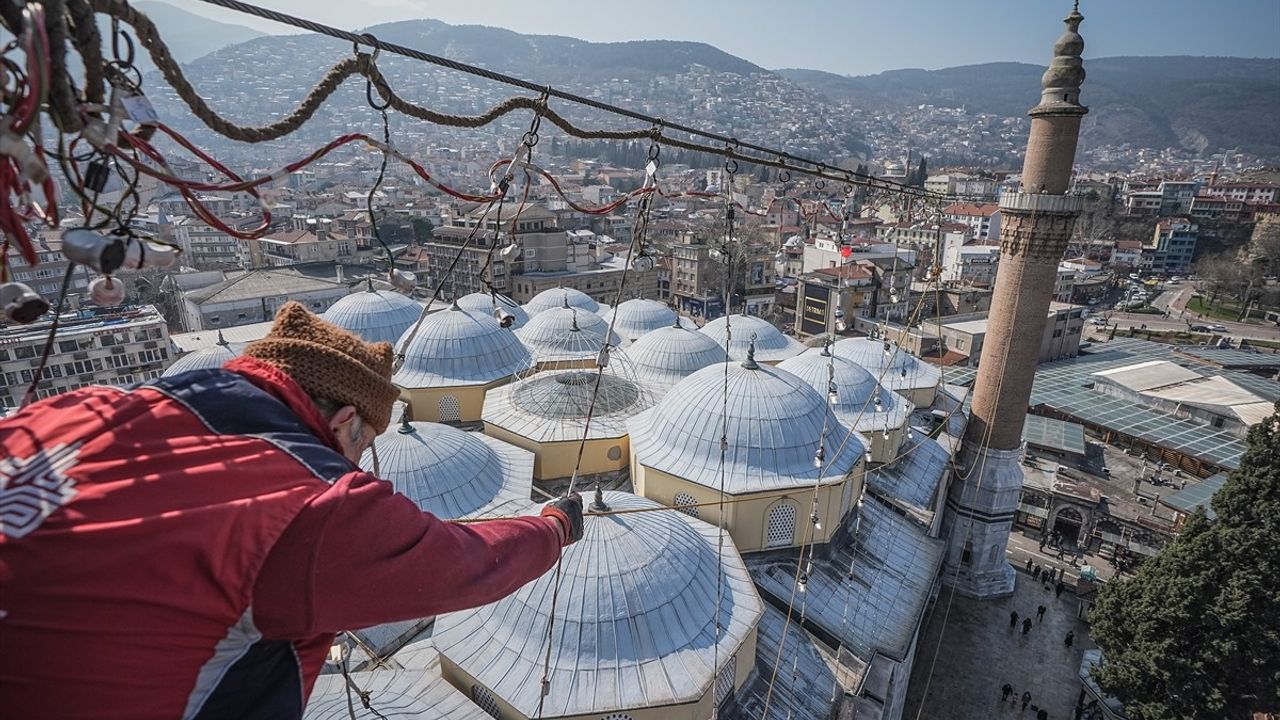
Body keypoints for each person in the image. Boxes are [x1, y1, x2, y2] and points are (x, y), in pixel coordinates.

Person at [0, 302, 585, 719]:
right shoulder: (310, 505)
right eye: (364, 443)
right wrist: (554, 526)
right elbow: (464, 564)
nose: (359, 461)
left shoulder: (82, 409)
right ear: (345, 421)